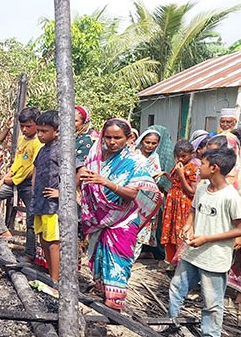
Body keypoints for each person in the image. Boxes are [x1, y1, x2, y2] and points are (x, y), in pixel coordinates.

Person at [168, 147, 241, 337]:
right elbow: (194, 209)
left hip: (214, 257)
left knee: (212, 302)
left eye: (202, 164)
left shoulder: (230, 196)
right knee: (177, 287)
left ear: (214, 168)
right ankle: (171, 322)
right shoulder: (203, 187)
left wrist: (207, 238)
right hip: (193, 252)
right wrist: (189, 225)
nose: (198, 168)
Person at [79, 118, 162, 310]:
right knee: (100, 255)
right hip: (101, 219)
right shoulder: (95, 159)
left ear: (128, 138)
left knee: (119, 258)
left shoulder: (134, 162)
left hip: (124, 220)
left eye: (117, 137)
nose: (112, 142)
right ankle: (102, 290)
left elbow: (133, 193)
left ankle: (115, 301)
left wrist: (106, 183)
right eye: (108, 137)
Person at [204, 134, 241, 305]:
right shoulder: (209, 175)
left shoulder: (239, 175)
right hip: (214, 220)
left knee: (237, 259)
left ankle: (240, 290)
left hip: (235, 223)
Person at [0, 107, 41, 262]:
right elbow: (18, 162)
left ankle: (30, 254)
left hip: (29, 184)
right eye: (22, 126)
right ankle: (3, 231)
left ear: (37, 124)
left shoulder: (38, 143)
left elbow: (31, 168)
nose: (25, 129)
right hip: (15, 180)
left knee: (31, 220)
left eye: (29, 126)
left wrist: (13, 180)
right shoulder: (22, 139)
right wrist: (5, 178)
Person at [31, 110, 61, 281]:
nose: (40, 135)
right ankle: (51, 275)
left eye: (44, 131)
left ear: (56, 131)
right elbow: (36, 167)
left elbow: (78, 173)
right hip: (40, 202)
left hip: (52, 204)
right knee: (43, 240)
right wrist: (35, 186)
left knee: (53, 243)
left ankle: (56, 281)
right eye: (39, 131)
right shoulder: (43, 150)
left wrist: (62, 192)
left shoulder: (62, 151)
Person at [161, 140, 198, 263]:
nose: (180, 159)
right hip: (173, 203)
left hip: (184, 204)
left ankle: (181, 261)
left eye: (184, 156)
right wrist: (167, 174)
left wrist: (181, 175)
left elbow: (192, 192)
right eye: (178, 156)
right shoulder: (178, 166)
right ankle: (171, 261)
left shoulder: (192, 168)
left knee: (180, 230)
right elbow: (176, 182)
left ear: (192, 154)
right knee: (171, 230)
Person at [133, 127, 166, 261]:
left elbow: (156, 176)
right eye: (147, 142)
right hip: (133, 196)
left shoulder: (155, 157)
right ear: (142, 141)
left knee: (142, 230)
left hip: (149, 199)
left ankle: (133, 257)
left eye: (154, 143)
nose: (150, 146)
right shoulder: (133, 155)